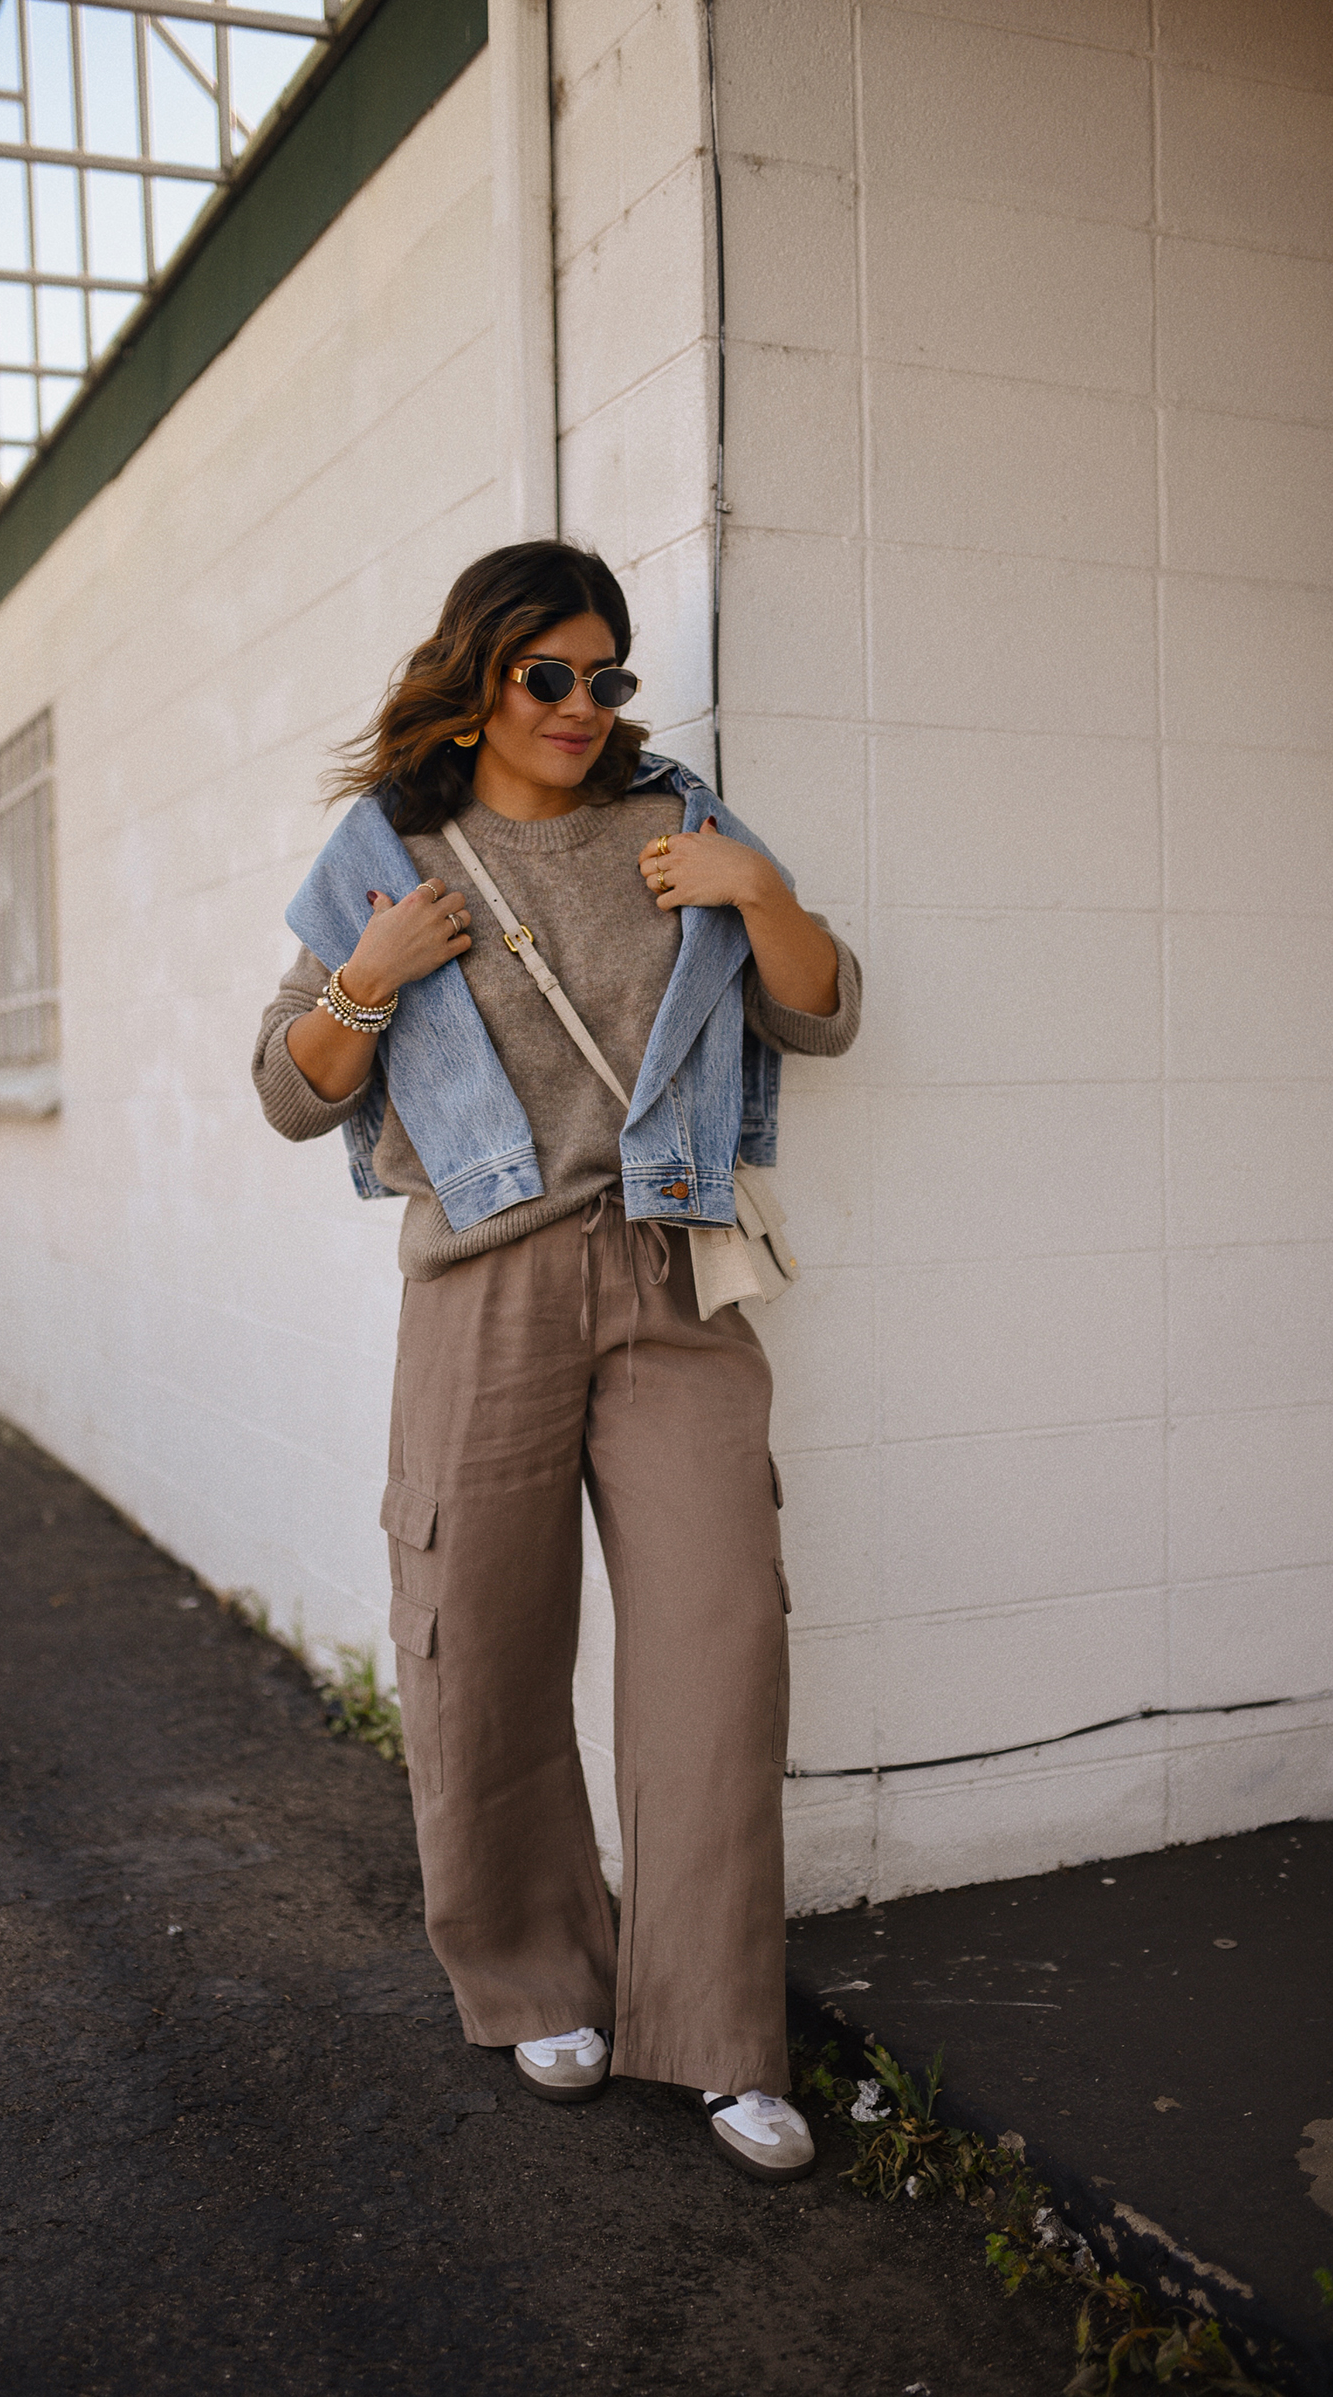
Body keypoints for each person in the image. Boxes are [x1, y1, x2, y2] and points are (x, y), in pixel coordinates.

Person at [252, 541, 860, 2182]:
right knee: (485, 1645)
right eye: (552, 677)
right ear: (483, 678)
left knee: (719, 1644)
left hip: (670, 1274)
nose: (587, 706)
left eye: (610, 677)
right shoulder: (394, 853)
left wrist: (764, 897)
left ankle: (724, 2034)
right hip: (486, 1287)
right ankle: (532, 1973)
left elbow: (825, 1010)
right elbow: (293, 1089)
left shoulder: (687, 826)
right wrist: (369, 984)